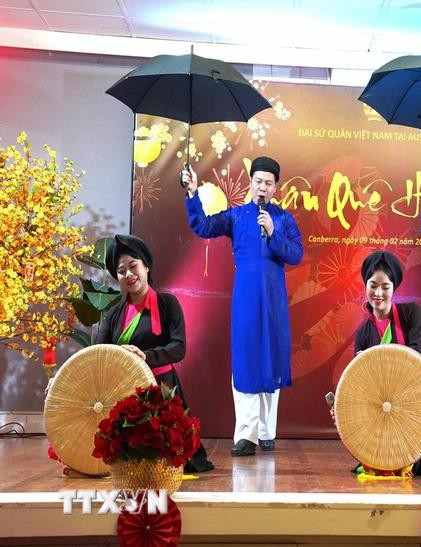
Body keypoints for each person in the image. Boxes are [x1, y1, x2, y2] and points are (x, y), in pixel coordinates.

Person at [182, 157, 304, 456]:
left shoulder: (284, 219)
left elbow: (296, 255)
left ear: (276, 188)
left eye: (268, 183)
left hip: (274, 298)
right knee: (247, 357)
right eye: (258, 181)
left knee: (271, 358)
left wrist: (274, 232)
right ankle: (245, 435)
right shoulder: (236, 217)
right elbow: (204, 225)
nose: (262, 187)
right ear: (251, 183)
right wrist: (191, 193)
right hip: (246, 297)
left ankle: (266, 432)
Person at [96, 234, 214, 473]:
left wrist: (145, 356)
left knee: (168, 461)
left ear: (146, 267)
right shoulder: (113, 314)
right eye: (121, 271)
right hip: (126, 390)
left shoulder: (168, 304)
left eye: (133, 266)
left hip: (162, 390)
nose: (128, 274)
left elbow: (178, 348)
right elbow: (97, 353)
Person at [348, 250, 421, 475]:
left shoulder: (412, 312)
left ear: (394, 288)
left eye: (385, 286)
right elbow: (359, 377)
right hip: (389, 398)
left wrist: (378, 363)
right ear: (365, 286)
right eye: (373, 285)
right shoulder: (364, 332)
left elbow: (415, 354)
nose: (378, 292)